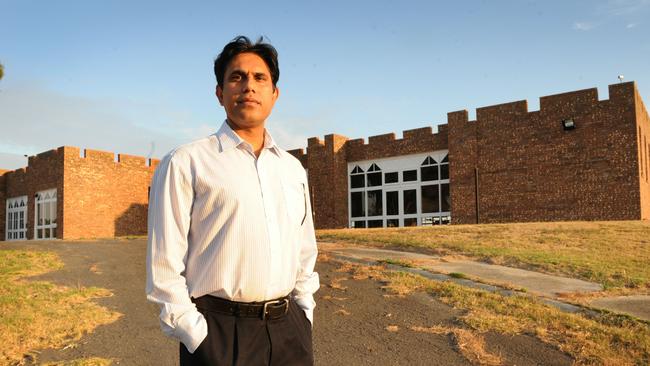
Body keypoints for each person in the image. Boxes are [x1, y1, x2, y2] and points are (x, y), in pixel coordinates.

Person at [146, 35, 319, 365]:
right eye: (237, 77)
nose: (248, 87)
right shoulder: (186, 163)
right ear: (220, 93)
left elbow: (304, 249)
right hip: (220, 335)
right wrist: (196, 335)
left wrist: (304, 312)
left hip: (289, 332)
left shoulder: (293, 169)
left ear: (274, 93)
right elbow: (164, 266)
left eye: (259, 78)